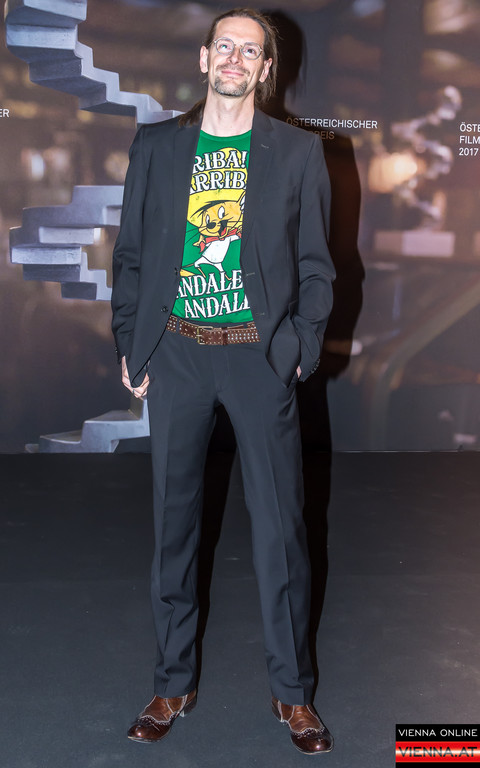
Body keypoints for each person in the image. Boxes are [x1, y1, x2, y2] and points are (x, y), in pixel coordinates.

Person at [111, 7, 335, 756]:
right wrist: (131, 342)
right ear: (205, 58)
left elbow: (316, 266)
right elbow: (131, 255)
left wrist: (298, 347)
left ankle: (293, 693)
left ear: (266, 70)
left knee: (281, 532)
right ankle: (171, 682)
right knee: (173, 528)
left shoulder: (298, 153)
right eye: (226, 46)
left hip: (256, 357)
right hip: (177, 353)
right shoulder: (157, 146)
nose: (237, 59)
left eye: (252, 51)